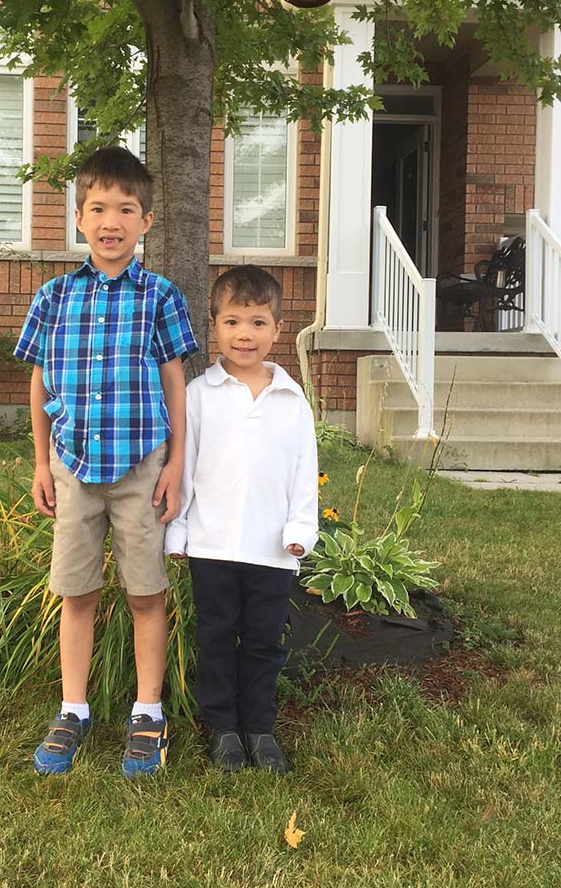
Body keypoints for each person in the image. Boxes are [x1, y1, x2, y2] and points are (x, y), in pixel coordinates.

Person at [14, 146, 198, 777]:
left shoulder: (161, 296)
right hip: (71, 466)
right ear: (78, 218)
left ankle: (148, 712)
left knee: (146, 591)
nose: (111, 220)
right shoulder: (53, 297)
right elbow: (39, 384)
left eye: (126, 208)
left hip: (142, 467)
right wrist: (41, 460)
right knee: (78, 590)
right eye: (99, 208)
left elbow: (174, 380)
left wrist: (175, 461)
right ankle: (73, 709)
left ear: (146, 221)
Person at [165, 264, 320, 774]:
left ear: (277, 328)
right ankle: (224, 730)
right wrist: (179, 529)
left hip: (271, 550)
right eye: (232, 321)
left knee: (262, 643)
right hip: (212, 547)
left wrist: (300, 530)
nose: (244, 334)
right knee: (215, 637)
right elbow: (184, 468)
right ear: (214, 326)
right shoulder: (199, 395)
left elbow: (303, 470)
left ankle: (259, 727)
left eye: (257, 322)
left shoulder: (292, 399)